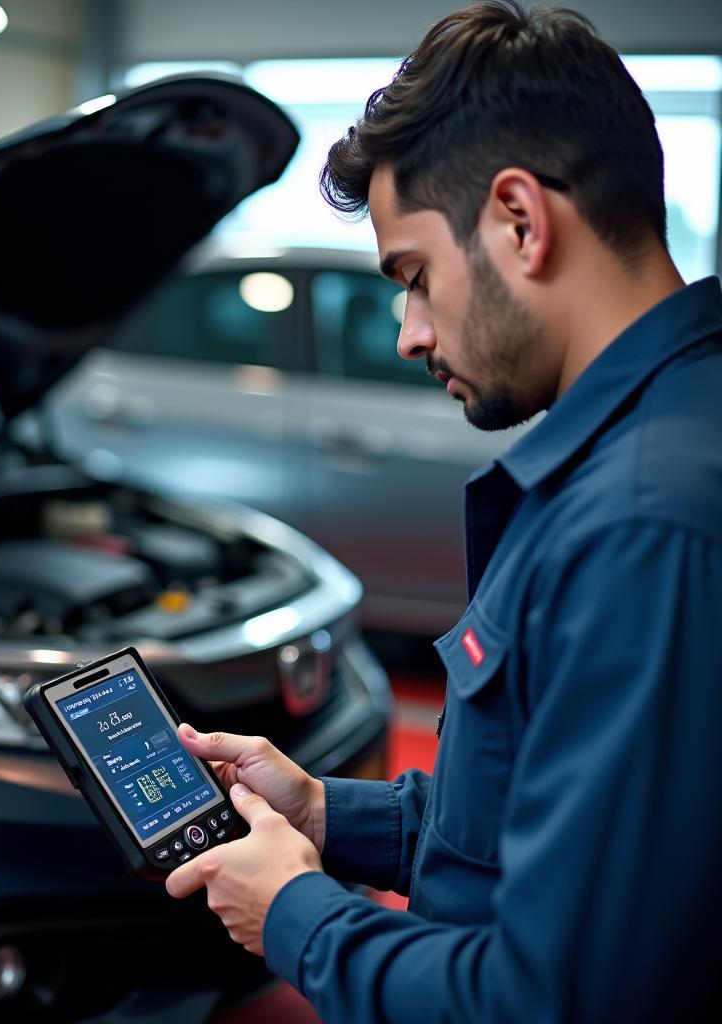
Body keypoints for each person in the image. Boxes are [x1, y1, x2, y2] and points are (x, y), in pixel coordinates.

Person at [164, 2, 722, 1021]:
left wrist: (292, 910)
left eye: (415, 277)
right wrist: (328, 814)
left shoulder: (642, 523)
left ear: (519, 219)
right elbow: (533, 823)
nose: (410, 333)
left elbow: (546, 1000)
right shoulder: (656, 444)